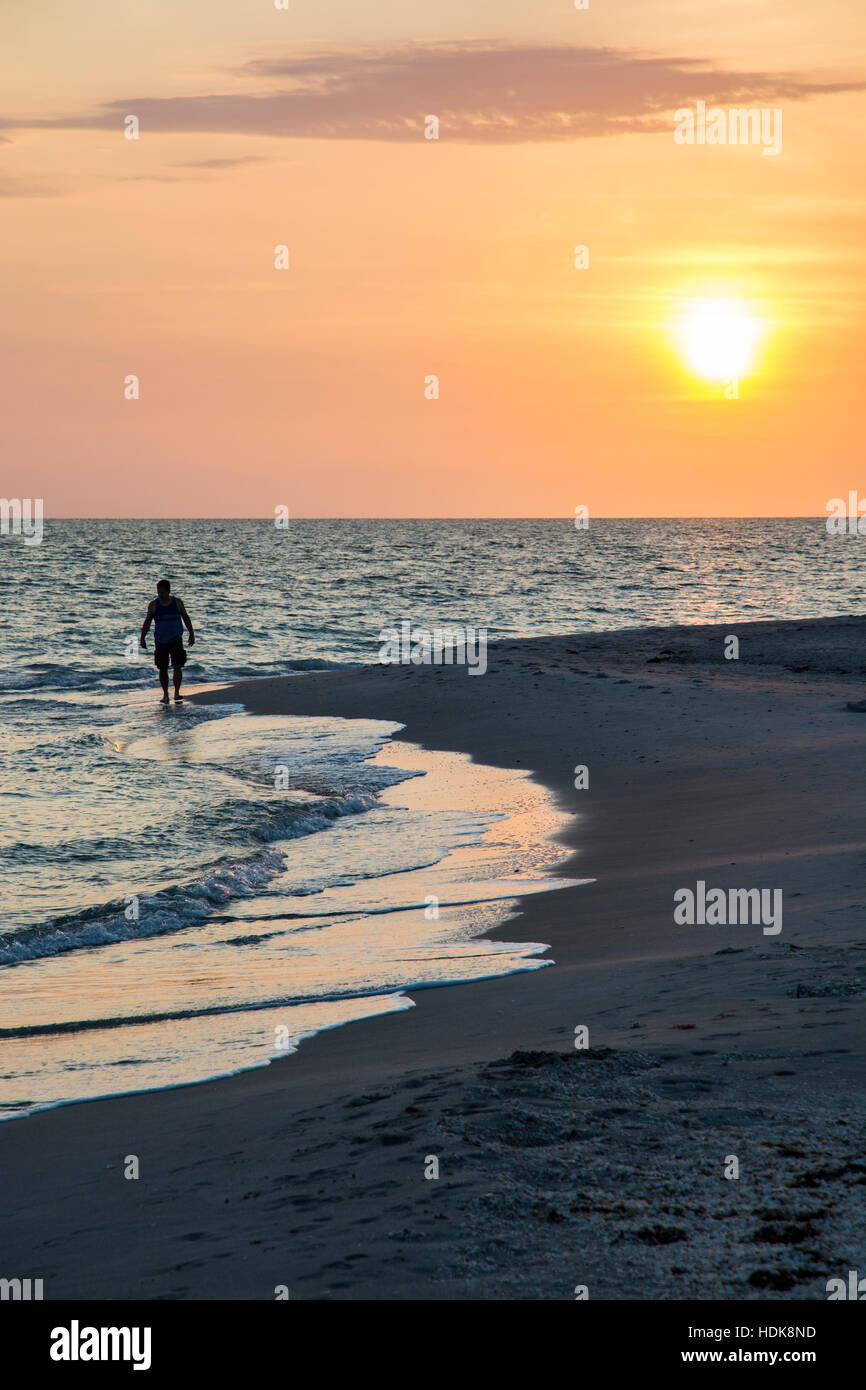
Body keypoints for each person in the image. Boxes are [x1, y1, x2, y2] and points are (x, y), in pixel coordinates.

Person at [140, 579, 195, 704]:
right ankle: (165, 694)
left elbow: (186, 618)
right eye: (159, 592)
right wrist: (142, 637)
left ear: (169, 591)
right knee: (162, 668)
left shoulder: (177, 603)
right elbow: (147, 622)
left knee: (177, 666)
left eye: (163, 593)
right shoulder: (153, 605)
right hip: (160, 640)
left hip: (176, 639)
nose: (160, 595)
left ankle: (176, 692)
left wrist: (191, 634)